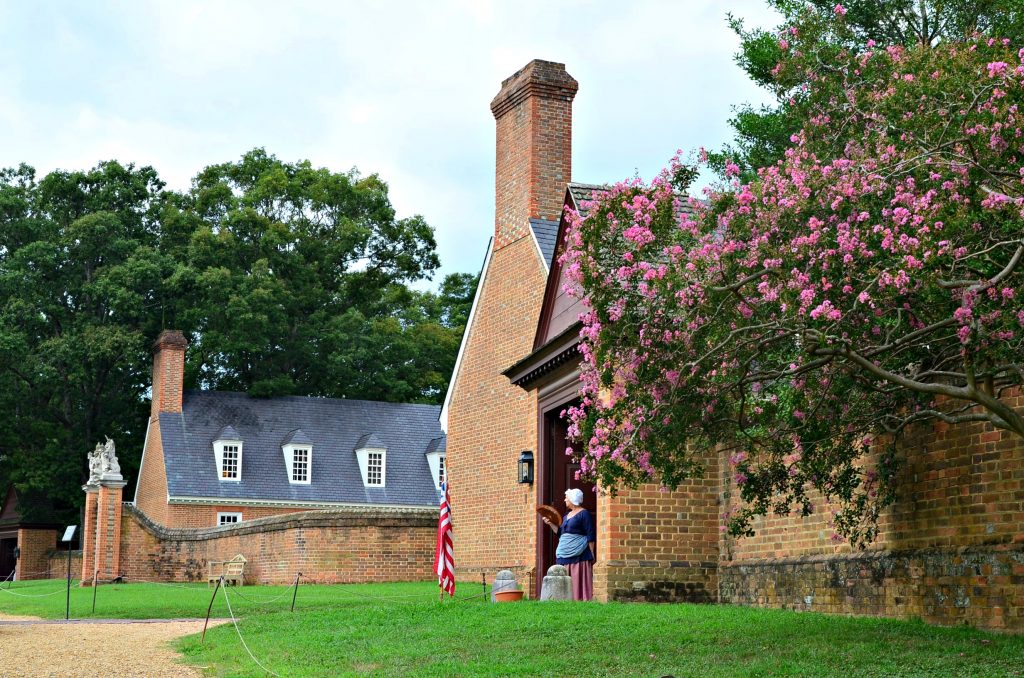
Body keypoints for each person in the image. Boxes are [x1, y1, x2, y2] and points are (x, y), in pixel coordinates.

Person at [542, 488, 596, 601]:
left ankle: (580, 598)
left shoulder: (584, 514)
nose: (564, 499)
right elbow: (560, 532)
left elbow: (590, 534)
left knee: (577, 577)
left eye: (567, 497)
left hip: (579, 553)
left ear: (572, 499)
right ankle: (564, 598)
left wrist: (591, 553)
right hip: (564, 551)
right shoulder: (567, 515)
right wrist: (551, 523)